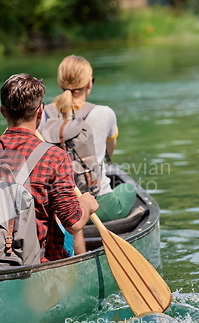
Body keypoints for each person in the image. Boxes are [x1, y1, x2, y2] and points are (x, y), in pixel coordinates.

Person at [0, 73, 98, 262]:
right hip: (36, 260)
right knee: (73, 225)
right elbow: (72, 223)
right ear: (40, 112)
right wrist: (86, 205)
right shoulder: (55, 157)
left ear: (2, 111)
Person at [39, 55, 136, 222]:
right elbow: (108, 153)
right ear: (89, 83)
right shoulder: (104, 113)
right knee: (129, 188)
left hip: (58, 209)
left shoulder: (41, 114)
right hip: (97, 205)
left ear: (60, 83)